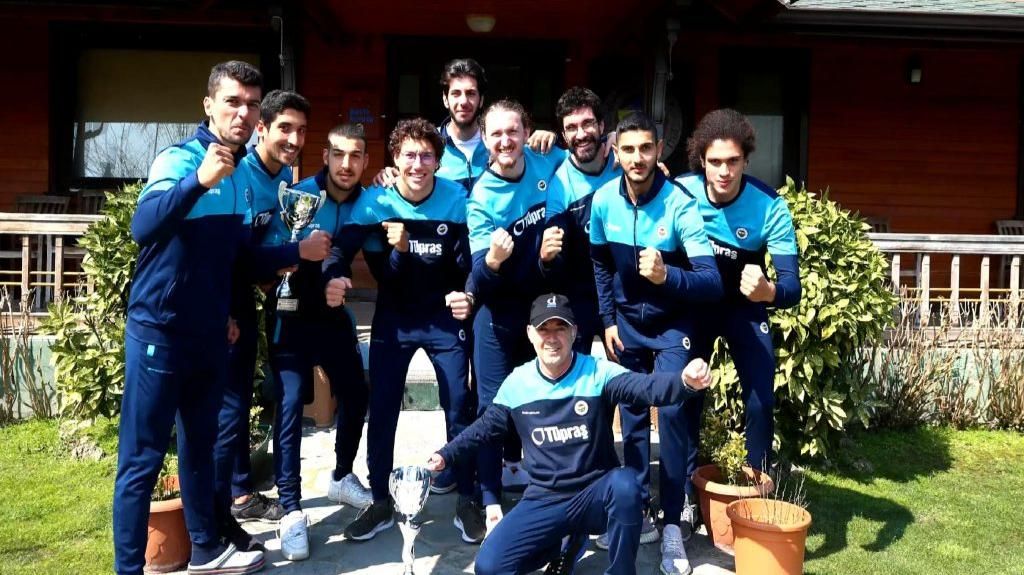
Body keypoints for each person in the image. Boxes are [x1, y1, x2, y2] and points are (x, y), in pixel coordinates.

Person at [426, 293, 712, 575]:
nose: (552, 338)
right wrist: (445, 455)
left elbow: (645, 387)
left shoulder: (597, 372)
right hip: (544, 498)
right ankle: (562, 545)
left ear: (574, 332)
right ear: (530, 334)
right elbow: (484, 429)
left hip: (595, 495)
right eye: (544, 329)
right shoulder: (517, 383)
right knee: (489, 567)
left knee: (626, 485)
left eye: (560, 328)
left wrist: (683, 382)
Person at [114, 60, 268, 575]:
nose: (243, 113)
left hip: (209, 337)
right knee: (141, 462)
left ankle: (204, 550)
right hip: (160, 333)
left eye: (252, 104)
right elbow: (143, 227)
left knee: (200, 449)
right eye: (233, 102)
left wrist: (295, 253)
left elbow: (229, 258)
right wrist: (198, 181)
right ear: (209, 105)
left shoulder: (242, 175)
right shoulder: (179, 159)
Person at [324, 118, 485, 544]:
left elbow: (470, 262)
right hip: (394, 320)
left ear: (439, 161)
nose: (418, 164)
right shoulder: (377, 201)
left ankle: (466, 498)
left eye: (427, 155)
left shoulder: (456, 198)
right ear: (395, 158)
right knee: (383, 407)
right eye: (409, 155)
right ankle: (380, 499)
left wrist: (469, 293)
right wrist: (334, 276)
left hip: (444, 319)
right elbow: (341, 250)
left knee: (459, 404)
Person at [589, 111, 722, 572]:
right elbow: (600, 265)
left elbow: (710, 281)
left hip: (672, 328)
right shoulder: (603, 201)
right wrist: (607, 320)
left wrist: (668, 277)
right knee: (630, 419)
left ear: (659, 149)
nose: (637, 157)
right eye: (628, 149)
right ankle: (638, 509)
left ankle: (671, 523)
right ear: (615, 152)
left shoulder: (680, 205)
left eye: (646, 148)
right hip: (626, 327)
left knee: (671, 415)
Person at [675, 108, 801, 539]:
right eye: (715, 162)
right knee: (686, 396)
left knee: (761, 397)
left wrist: (768, 291)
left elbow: (792, 287)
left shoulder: (769, 206)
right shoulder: (680, 191)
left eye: (732, 161)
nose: (724, 171)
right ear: (701, 161)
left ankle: (755, 491)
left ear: (746, 159)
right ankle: (684, 497)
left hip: (744, 309)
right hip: (696, 306)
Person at [258, 123, 374, 561]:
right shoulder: (297, 195)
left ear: (366, 161)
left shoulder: (369, 201)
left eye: (356, 156)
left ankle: (341, 476)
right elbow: (269, 256)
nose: (347, 164)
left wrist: (335, 279)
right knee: (290, 406)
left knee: (356, 392)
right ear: (325, 156)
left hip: (333, 315)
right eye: (339, 154)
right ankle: (291, 509)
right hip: (290, 315)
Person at [215, 90, 316, 539]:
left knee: (238, 401)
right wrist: (294, 253)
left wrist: (276, 270)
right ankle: (213, 520)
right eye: (284, 129)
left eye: (301, 131)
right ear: (262, 129)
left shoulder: (285, 185)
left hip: (247, 300)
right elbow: (231, 254)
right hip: (219, 303)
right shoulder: (238, 175)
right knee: (227, 409)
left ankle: (239, 495)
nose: (294, 139)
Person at [467, 98, 570, 532]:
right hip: (497, 314)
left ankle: (549, 488)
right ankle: (490, 499)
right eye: (496, 134)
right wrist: (492, 260)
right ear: (484, 140)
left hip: (541, 309)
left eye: (513, 131)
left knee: (544, 399)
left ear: (527, 133)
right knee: (492, 407)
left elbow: (593, 157)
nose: (506, 141)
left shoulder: (548, 160)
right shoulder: (480, 197)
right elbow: (479, 278)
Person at [543, 87, 622, 354]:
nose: (581, 134)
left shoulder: (623, 161)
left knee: (626, 371)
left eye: (587, 123)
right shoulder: (559, 185)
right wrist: (546, 257)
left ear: (602, 125)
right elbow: (555, 257)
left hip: (622, 292)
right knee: (575, 372)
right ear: (563, 135)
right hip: (578, 296)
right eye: (571, 127)